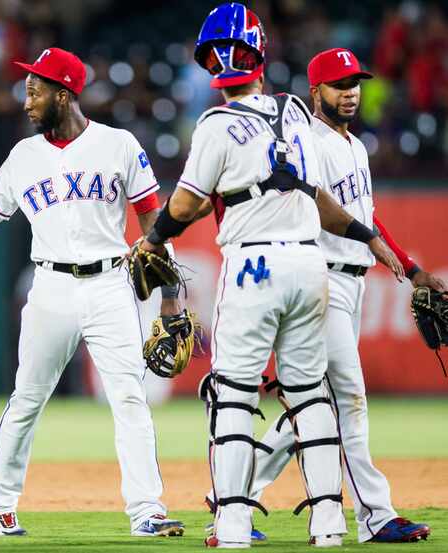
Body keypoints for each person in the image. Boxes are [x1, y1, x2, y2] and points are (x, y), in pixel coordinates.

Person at [137, 3, 404, 548]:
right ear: (262, 56)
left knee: (234, 394)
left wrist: (152, 237)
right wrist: (367, 235)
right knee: (311, 396)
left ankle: (232, 523)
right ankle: (328, 524)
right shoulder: (300, 117)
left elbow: (186, 204)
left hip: (254, 265)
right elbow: (317, 198)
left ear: (212, 66)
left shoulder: (215, 124)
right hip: (311, 266)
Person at [0, 47, 185, 538]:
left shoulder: (118, 144)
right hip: (49, 286)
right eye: (26, 90)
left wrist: (171, 296)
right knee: (28, 397)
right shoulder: (23, 155)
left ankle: (146, 510)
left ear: (64, 93)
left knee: (129, 398)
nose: (26, 99)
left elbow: (153, 226)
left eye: (35, 91)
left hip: (111, 284)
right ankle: (0, 499)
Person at [241, 47, 441, 544]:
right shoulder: (308, 141)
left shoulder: (354, 145)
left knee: (314, 403)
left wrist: (411, 267)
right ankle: (376, 515)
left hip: (351, 281)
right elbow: (324, 211)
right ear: (316, 91)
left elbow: (366, 216)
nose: (350, 93)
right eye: (338, 85)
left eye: (355, 83)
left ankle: (232, 497)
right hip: (321, 278)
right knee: (348, 396)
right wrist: (373, 243)